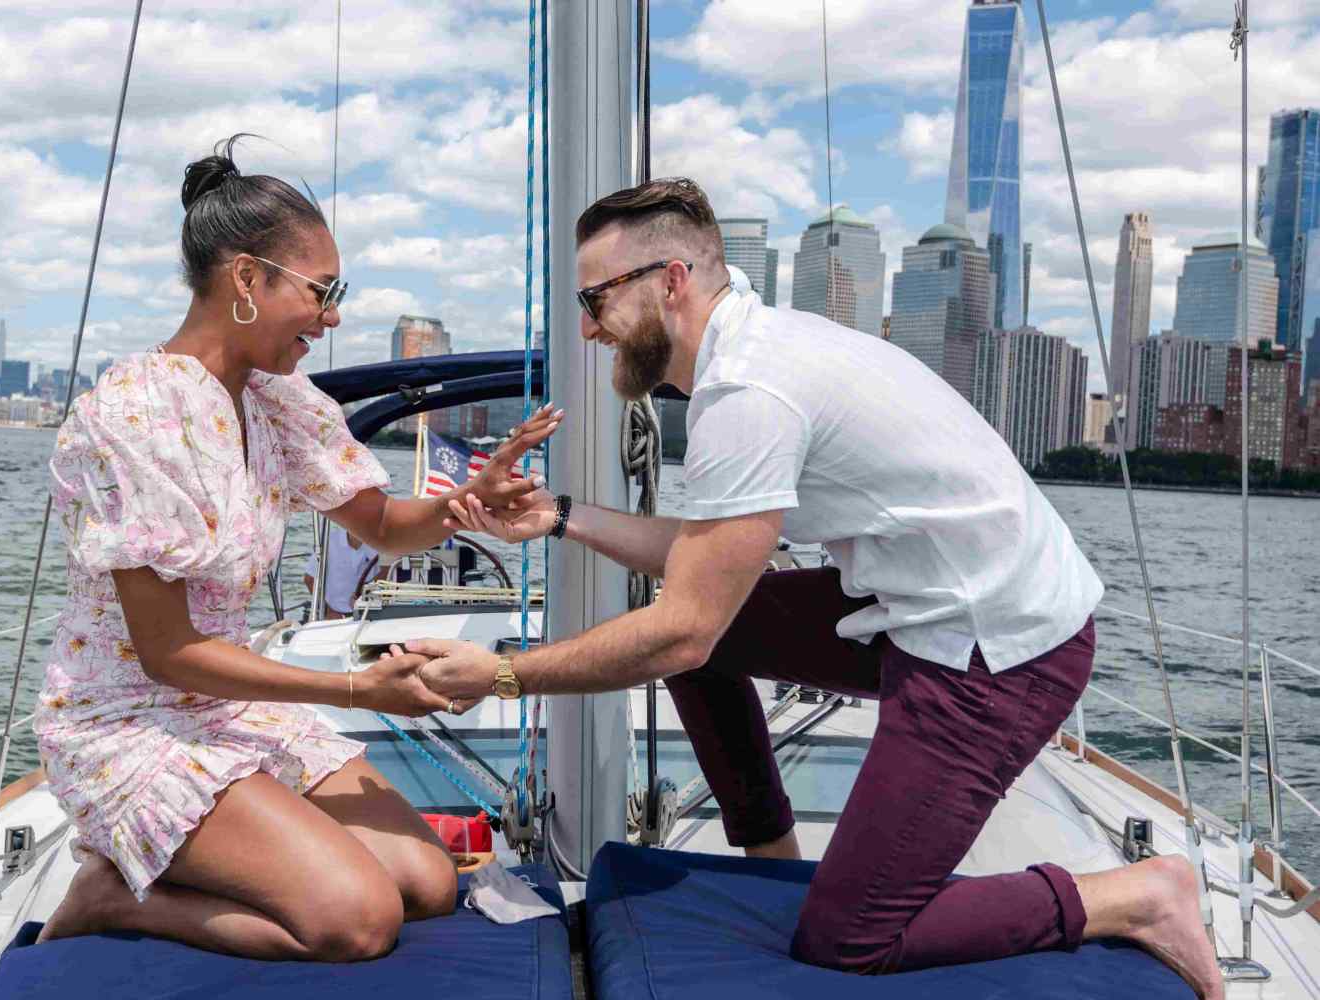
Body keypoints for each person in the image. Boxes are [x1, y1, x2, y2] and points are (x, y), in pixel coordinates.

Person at [410, 178, 1223, 998]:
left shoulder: (750, 390)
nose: (588, 327)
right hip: (918, 606)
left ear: (671, 282)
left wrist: (501, 675)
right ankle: (774, 862)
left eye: (597, 299)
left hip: (997, 650)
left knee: (850, 939)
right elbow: (704, 566)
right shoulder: (757, 352)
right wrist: (559, 515)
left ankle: (1138, 895)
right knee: (713, 638)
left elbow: (682, 627)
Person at [32, 135, 560, 961]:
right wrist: (355, 688)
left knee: (425, 885)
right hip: (130, 723)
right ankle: (110, 895)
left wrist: (466, 502)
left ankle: (205, 858)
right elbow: (169, 654)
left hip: (228, 707)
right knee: (358, 921)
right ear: (247, 279)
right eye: (323, 290)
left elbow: (383, 524)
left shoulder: (277, 401)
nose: (334, 315)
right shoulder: (135, 415)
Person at [304, 523, 386, 619]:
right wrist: (328, 612)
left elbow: (386, 574)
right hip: (334, 614)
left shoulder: (379, 543)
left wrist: (361, 593)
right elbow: (309, 579)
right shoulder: (330, 542)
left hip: (369, 611)